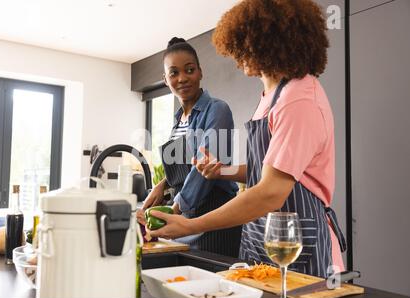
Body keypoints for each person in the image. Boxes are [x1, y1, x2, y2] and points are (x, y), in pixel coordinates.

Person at [148, 0, 347, 278]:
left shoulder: (298, 99)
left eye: (243, 46)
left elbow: (269, 192)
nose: (237, 55)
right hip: (260, 236)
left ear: (268, 44)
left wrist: (190, 225)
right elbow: (265, 173)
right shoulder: (271, 97)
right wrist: (223, 172)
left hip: (297, 241)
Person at [137, 37, 242, 257]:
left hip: (215, 221)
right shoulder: (178, 120)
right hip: (184, 221)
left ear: (200, 72)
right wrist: (161, 187)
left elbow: (204, 170)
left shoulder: (217, 110)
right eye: (174, 73)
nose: (182, 78)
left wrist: (174, 210)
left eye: (190, 70)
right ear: (165, 79)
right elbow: (184, 167)